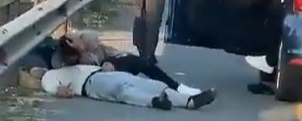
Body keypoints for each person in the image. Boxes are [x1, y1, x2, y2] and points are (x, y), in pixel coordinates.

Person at [51, 31, 202, 95]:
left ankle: (177, 87)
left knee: (141, 63)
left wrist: (109, 62)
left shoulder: (89, 39)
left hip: (111, 66)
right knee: (132, 87)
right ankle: (161, 96)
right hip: (96, 82)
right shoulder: (59, 59)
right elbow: (52, 74)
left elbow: (111, 53)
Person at [39, 64, 216, 110]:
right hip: (91, 84)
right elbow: (53, 88)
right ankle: (154, 102)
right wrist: (61, 91)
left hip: (104, 73)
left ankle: (188, 101)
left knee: (152, 84)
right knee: (122, 91)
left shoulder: (75, 64)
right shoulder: (50, 75)